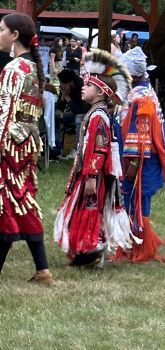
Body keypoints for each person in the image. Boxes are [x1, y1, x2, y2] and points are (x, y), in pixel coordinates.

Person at [54, 49, 132, 269]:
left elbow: (99, 150)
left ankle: (91, 253)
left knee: (89, 211)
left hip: (93, 176)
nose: (83, 88)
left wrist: (91, 177)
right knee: (84, 210)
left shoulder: (98, 116)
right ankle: (85, 252)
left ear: (100, 93)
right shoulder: (96, 113)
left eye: (88, 86)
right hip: (89, 173)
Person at [0, 13, 53, 284]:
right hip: (27, 144)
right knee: (23, 201)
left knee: (5, 202)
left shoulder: (13, 69)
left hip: (8, 144)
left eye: (1, 30)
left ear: (15, 35)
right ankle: (42, 269)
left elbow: (6, 112)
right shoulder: (33, 68)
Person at [111, 47, 165, 263]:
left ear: (134, 74)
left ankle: (139, 247)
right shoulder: (139, 91)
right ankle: (132, 244)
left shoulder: (141, 97)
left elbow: (141, 136)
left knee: (136, 200)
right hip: (137, 158)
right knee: (132, 200)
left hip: (141, 160)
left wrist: (133, 166)